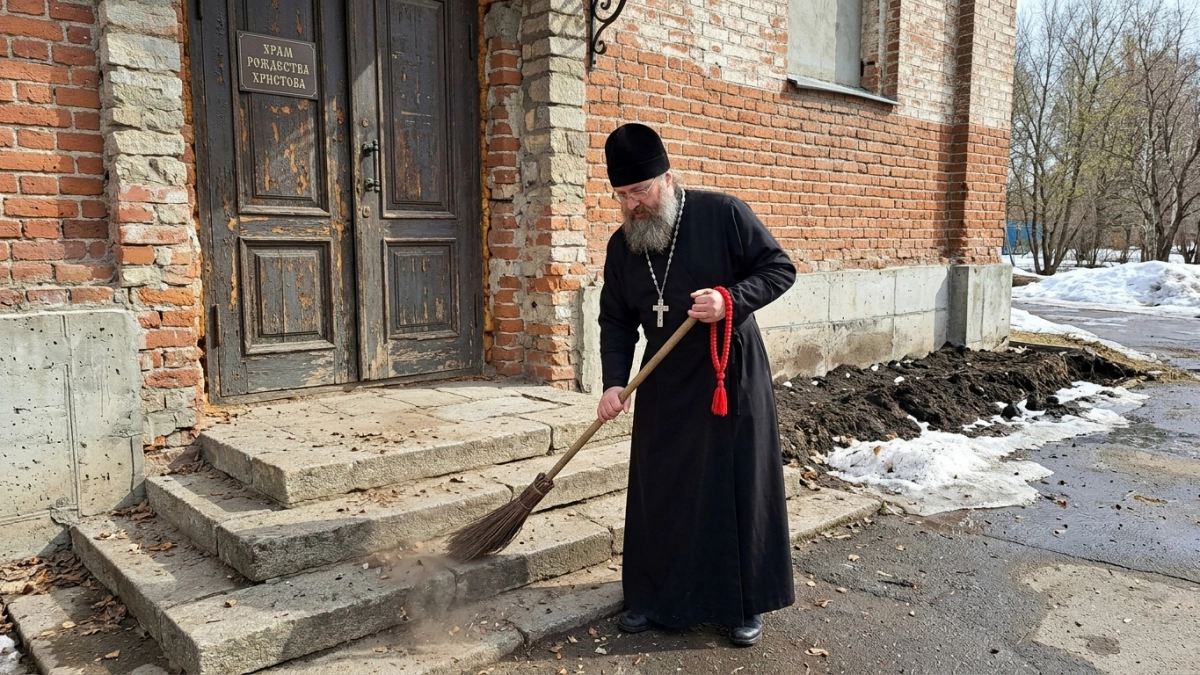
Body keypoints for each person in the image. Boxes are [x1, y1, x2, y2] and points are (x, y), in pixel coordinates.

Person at [595, 123, 797, 647]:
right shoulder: (623, 248)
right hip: (661, 380)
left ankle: (741, 604)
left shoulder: (722, 214)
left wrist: (730, 300)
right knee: (661, 489)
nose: (633, 204)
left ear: (666, 176)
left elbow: (779, 269)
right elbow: (616, 321)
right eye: (622, 194)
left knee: (733, 487)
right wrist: (614, 383)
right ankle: (653, 597)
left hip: (727, 373)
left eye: (641, 190)